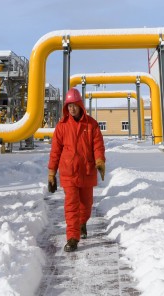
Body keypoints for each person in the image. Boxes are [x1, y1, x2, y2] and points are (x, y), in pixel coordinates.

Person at [47, 88, 106, 252]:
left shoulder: (91, 124)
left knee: (86, 205)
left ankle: (82, 223)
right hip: (69, 172)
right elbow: (55, 152)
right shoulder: (62, 126)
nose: (72, 109)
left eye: (74, 105)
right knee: (71, 205)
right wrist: (52, 173)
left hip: (87, 171)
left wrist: (100, 160)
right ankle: (72, 238)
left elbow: (98, 145)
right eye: (69, 105)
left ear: (80, 105)